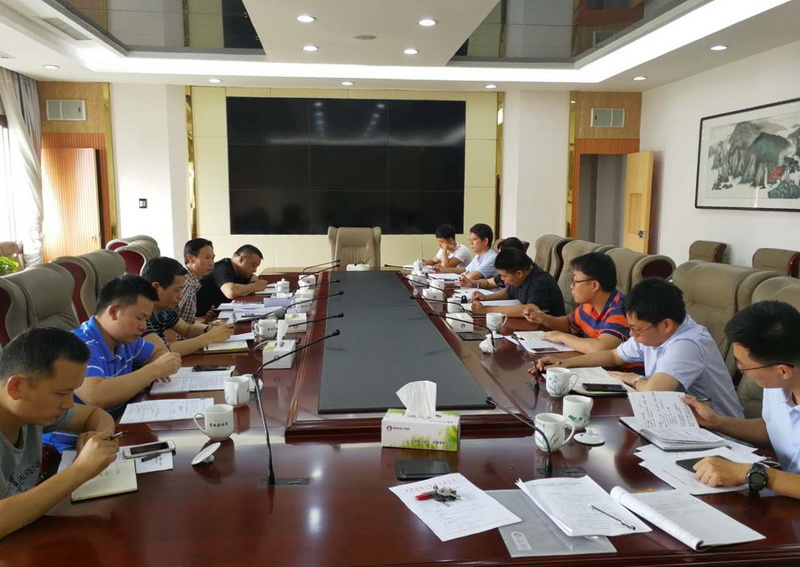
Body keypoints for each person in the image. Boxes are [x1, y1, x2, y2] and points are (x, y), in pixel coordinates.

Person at [534, 278, 744, 418]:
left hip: (720, 433)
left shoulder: (687, 344)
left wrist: (634, 379)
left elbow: (653, 390)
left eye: (636, 329)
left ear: (666, 325)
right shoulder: (655, 331)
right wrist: (566, 364)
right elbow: (614, 356)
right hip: (680, 418)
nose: (632, 335)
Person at [0, 328, 119, 539]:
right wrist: (81, 469)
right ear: (16, 387)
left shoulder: (30, 411)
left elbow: (95, 413)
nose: (69, 404)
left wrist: (99, 438)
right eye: (61, 393)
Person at [44, 276, 181, 454]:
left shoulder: (125, 341)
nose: (143, 327)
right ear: (114, 311)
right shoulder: (79, 344)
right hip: (70, 450)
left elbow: (159, 353)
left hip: (114, 433)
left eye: (146, 319)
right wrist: (154, 370)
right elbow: (96, 396)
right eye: (140, 318)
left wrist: (158, 366)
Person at [684, 300, 800, 498]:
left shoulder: (776, 375)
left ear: (782, 371)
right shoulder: (778, 382)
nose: (740, 370)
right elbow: (775, 429)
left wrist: (754, 473)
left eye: (744, 366)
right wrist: (716, 422)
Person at [522, 252, 630, 353]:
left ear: (594, 285)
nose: (571, 286)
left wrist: (562, 337)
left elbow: (600, 348)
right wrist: (543, 318)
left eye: (575, 281)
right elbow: (569, 325)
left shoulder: (621, 310)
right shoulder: (588, 304)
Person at [141, 257, 234, 355]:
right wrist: (209, 337)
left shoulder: (164, 310)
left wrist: (209, 329)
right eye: (177, 290)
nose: (181, 296)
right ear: (156, 288)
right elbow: (163, 350)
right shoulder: (141, 315)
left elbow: (188, 329)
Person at [471, 247, 565, 318]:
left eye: (504, 276)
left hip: (548, 332)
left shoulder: (540, 283)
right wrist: (486, 298)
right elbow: (508, 292)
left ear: (519, 273)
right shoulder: (521, 277)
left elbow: (529, 310)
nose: (502, 279)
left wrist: (487, 310)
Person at [195, 244, 269, 316]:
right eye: (253, 265)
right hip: (202, 317)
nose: (255, 270)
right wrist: (256, 286)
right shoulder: (222, 268)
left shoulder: (239, 271)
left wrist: (252, 277)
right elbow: (230, 292)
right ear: (242, 259)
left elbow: (250, 278)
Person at [460, 237, 525, 290]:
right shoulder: (506, 272)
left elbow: (507, 294)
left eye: (501, 256)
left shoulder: (524, 277)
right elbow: (489, 283)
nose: (498, 259)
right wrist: (472, 283)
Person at [176, 238, 215, 324]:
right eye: (207, 258)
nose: (211, 263)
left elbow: (186, 319)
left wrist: (206, 321)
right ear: (191, 258)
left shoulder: (193, 282)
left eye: (212, 258)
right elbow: (171, 319)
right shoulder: (185, 282)